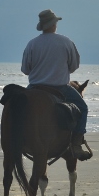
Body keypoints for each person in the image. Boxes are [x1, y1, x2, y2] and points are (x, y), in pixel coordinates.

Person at [21, 9, 91, 161]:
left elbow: (25, 70)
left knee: (18, 107)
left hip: (34, 88)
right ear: (54, 24)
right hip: (60, 88)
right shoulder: (66, 42)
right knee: (83, 109)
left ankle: (16, 137)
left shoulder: (32, 44)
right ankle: (76, 144)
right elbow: (73, 66)